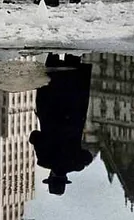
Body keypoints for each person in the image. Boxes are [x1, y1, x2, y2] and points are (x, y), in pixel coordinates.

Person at [30, 54, 94, 195]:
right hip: (50, 109)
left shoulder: (76, 164)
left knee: (73, 64)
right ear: (50, 177)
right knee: (53, 69)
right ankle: (54, 48)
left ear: (65, 179)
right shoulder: (44, 160)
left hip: (74, 111)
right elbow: (35, 136)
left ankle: (72, 46)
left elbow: (88, 156)